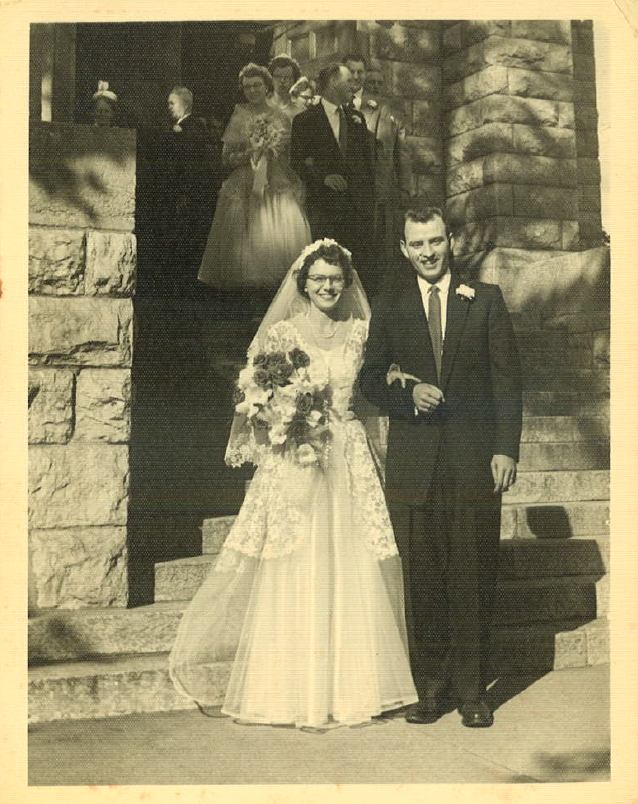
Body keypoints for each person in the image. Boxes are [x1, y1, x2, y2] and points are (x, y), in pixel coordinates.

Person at [170, 238, 418, 730]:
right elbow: (256, 392)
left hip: (347, 453)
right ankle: (290, 692)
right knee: (297, 564)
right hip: (299, 457)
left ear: (347, 284)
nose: (327, 286)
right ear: (302, 285)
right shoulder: (283, 333)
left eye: (335, 279)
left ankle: (353, 690)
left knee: (351, 565)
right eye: (317, 279)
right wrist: (283, 414)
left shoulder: (362, 332)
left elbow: (375, 386)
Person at [360, 207, 522, 729]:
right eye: (417, 244)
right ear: (404, 249)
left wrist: (506, 448)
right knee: (423, 581)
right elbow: (368, 380)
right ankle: (430, 690)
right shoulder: (390, 304)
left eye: (435, 240)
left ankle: (474, 693)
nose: (427, 252)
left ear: (450, 240)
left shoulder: (487, 300)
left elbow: (507, 382)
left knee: (472, 575)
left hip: (474, 462)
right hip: (414, 466)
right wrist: (407, 398)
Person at [198, 63, 311, 291]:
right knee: (245, 246)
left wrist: (271, 151)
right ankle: (249, 304)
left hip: (275, 180)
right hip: (245, 181)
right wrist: (250, 153)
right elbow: (226, 158)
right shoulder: (239, 113)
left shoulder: (280, 116)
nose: (252, 90)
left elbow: (291, 156)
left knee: (276, 239)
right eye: (247, 86)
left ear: (267, 86)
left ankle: (273, 300)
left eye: (257, 85)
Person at [290, 63, 376, 292]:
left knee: (359, 271)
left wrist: (369, 202)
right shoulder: (305, 120)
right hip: (325, 208)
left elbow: (367, 165)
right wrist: (323, 178)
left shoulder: (356, 118)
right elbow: (297, 161)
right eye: (348, 81)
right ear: (333, 83)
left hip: (357, 209)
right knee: (328, 268)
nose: (354, 85)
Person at [163, 86, 220, 292]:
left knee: (187, 241)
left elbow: (189, 166)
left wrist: (183, 193)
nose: (168, 107)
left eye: (172, 103)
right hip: (186, 193)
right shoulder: (185, 127)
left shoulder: (191, 129)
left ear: (185, 105)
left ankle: (186, 287)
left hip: (189, 194)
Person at [360, 66, 415, 269]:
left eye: (379, 82)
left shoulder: (391, 112)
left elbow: (402, 152)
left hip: (384, 183)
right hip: (360, 182)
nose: (375, 86)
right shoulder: (355, 106)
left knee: (385, 236)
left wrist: (405, 186)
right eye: (371, 81)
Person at [268, 54, 302, 118]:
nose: (282, 81)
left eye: (287, 77)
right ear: (271, 78)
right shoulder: (263, 105)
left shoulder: (301, 109)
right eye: (278, 76)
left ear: (294, 80)